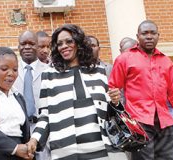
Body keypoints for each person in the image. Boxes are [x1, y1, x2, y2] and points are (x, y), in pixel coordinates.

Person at [26, 24, 123, 160]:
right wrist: (34, 139)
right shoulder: (49, 75)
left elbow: (109, 112)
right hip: (66, 149)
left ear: (79, 43)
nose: (64, 46)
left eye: (69, 41)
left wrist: (116, 101)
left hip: (102, 147)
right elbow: (45, 115)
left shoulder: (98, 71)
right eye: (59, 44)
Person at [109, 20, 173, 160]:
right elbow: (113, 88)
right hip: (139, 122)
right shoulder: (124, 59)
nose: (149, 36)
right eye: (144, 33)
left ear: (158, 36)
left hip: (165, 122)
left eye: (153, 33)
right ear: (138, 36)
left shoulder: (166, 61)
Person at [13, 31, 50, 160]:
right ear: (18, 47)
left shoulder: (50, 70)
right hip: (18, 129)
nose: (27, 47)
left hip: (44, 127)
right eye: (23, 44)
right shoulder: (11, 70)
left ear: (37, 46)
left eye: (31, 44)